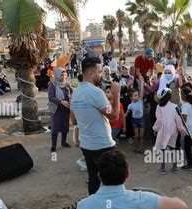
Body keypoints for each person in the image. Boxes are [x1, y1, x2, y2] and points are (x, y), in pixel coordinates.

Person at [70, 57, 122, 195]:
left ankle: (94, 208)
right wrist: (116, 94)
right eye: (99, 71)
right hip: (103, 145)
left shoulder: (75, 93)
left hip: (86, 145)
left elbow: (74, 121)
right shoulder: (96, 93)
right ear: (91, 74)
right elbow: (114, 116)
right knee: (111, 181)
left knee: (93, 179)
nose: (101, 75)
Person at [153, 88, 186, 175]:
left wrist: (155, 129)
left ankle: (163, 169)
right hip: (173, 130)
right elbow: (178, 120)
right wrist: (181, 129)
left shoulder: (159, 106)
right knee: (173, 148)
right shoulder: (175, 106)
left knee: (163, 149)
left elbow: (159, 120)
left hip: (163, 130)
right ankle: (174, 168)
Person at [48, 68, 73, 152]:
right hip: (56, 109)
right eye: (62, 75)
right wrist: (61, 102)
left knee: (65, 126)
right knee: (55, 127)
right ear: (57, 75)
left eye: (65, 75)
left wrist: (70, 97)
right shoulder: (52, 84)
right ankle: (53, 146)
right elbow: (51, 97)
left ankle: (63, 142)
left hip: (65, 109)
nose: (63, 77)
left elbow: (73, 93)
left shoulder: (67, 84)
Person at [124, 77, 145, 154]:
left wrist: (141, 82)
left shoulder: (140, 101)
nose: (137, 96)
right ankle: (135, 147)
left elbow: (141, 91)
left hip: (141, 120)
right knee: (136, 136)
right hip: (135, 121)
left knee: (142, 136)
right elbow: (126, 114)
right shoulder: (130, 105)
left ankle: (141, 148)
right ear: (131, 97)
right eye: (135, 95)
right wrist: (121, 117)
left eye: (137, 95)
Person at [118, 65, 136, 144]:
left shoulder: (131, 78)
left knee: (128, 118)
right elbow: (118, 88)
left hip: (129, 101)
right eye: (123, 69)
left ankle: (129, 136)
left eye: (126, 69)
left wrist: (126, 87)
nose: (124, 70)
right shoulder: (117, 77)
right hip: (120, 101)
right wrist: (126, 87)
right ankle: (117, 136)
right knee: (119, 118)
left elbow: (132, 89)